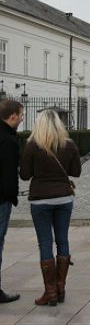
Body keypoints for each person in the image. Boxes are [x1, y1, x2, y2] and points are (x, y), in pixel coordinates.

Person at [20, 109, 81, 306]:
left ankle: (50, 291)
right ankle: (61, 287)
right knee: (63, 240)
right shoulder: (69, 145)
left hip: (40, 200)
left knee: (45, 243)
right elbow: (76, 172)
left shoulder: (32, 146)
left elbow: (25, 175)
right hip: (63, 198)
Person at [0, 99, 24, 303]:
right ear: (13, 116)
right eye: (21, 115)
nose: (22, 118)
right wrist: (11, 196)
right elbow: (9, 174)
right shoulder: (7, 140)